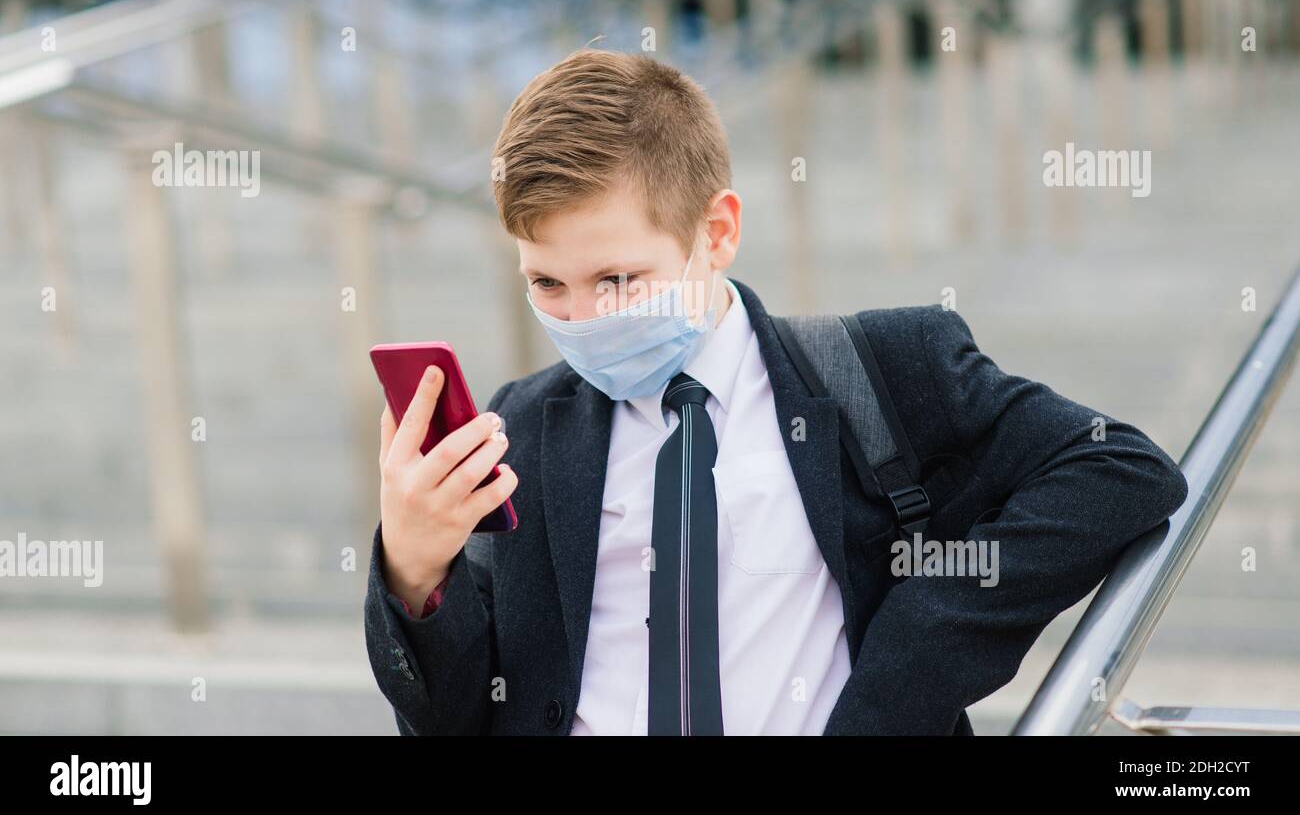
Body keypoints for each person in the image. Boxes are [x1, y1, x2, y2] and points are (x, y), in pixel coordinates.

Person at [363, 48, 1188, 735]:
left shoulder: (882, 369)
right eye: (547, 282)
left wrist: (919, 641)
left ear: (716, 232)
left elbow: (1121, 469)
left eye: (618, 277)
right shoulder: (525, 426)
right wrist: (414, 571)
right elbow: (454, 718)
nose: (583, 318)